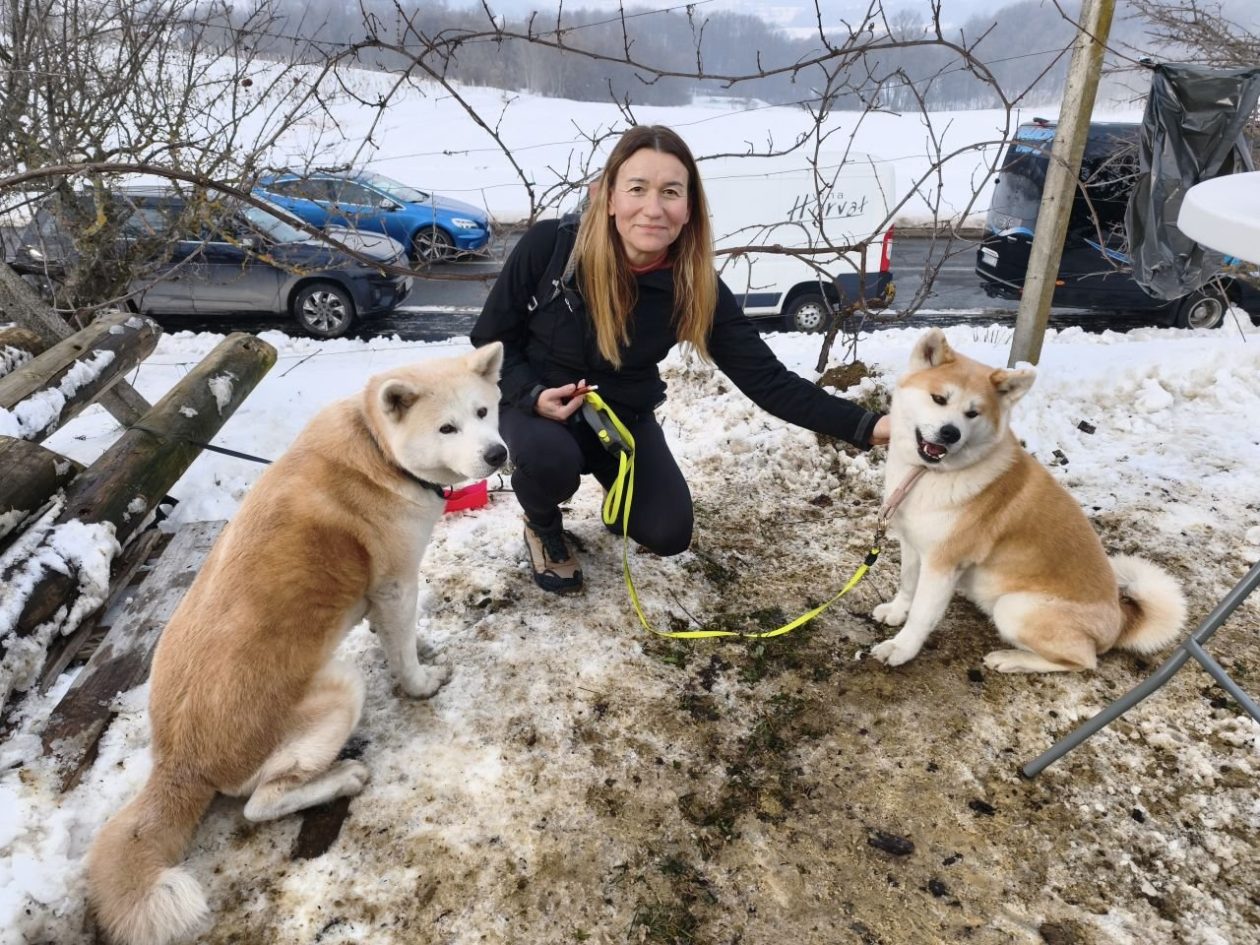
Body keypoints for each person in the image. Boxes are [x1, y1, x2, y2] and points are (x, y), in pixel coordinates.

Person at [471, 125, 890, 594]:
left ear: (688, 208)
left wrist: (869, 427)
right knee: (549, 461)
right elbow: (490, 338)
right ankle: (543, 523)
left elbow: (768, 381)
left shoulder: (695, 285)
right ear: (607, 198)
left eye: (670, 192)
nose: (653, 208)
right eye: (637, 188)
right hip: (538, 410)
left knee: (668, 532)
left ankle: (619, 496)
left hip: (622, 418)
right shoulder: (552, 246)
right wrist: (530, 394)